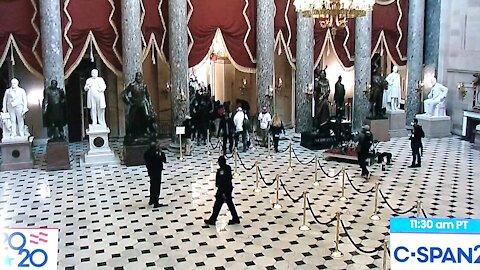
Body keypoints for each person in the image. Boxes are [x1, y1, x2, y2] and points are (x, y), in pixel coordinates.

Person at [122, 72, 157, 144]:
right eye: (138, 77)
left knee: (146, 118)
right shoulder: (132, 85)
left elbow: (148, 95)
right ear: (136, 77)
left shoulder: (144, 85)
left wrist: (150, 104)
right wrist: (129, 101)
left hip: (143, 103)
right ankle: (132, 133)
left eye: (140, 77)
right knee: (132, 119)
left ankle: (145, 131)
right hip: (134, 104)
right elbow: (124, 93)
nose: (139, 78)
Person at [205, 156, 240, 225]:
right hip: (229, 188)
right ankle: (235, 218)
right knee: (229, 204)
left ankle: (213, 219)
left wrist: (222, 192)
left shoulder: (221, 171)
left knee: (217, 205)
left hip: (223, 190)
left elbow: (219, 183)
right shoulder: (228, 168)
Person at [144, 142, 167, 208]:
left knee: (152, 185)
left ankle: (151, 200)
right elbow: (164, 160)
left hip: (151, 172)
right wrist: (161, 153)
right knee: (157, 187)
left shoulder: (146, 153)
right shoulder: (157, 155)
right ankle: (156, 202)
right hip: (157, 172)